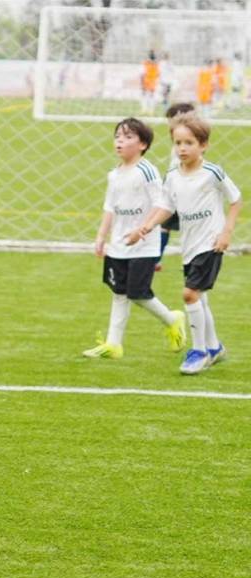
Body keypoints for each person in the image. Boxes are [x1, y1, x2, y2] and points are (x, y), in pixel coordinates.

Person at [126, 115, 242, 375]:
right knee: (199, 297)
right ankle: (214, 347)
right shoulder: (172, 176)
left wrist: (226, 232)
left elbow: (236, 199)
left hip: (210, 243)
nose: (182, 148)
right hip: (189, 245)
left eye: (189, 143)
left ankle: (199, 352)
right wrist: (145, 227)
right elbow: (166, 206)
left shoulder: (212, 173)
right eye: (178, 143)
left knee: (189, 294)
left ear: (203, 145)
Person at [83, 118, 186, 359]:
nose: (120, 141)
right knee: (119, 293)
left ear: (143, 145)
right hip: (118, 245)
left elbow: (163, 204)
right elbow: (110, 207)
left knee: (137, 293)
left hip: (144, 246)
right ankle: (113, 344)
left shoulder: (146, 171)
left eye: (128, 137)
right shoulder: (114, 174)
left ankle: (172, 319)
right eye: (118, 136)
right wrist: (101, 236)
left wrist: (142, 230)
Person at [156, 102, 196, 271]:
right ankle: (157, 259)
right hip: (175, 184)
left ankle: (190, 261)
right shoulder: (181, 139)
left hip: (184, 185)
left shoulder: (191, 140)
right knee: (165, 224)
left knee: (188, 224)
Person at [140, 51, 159, 115]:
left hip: (147, 82)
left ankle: (146, 110)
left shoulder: (146, 64)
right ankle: (149, 110)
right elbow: (158, 75)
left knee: (146, 96)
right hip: (151, 82)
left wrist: (142, 83)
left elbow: (142, 74)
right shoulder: (156, 64)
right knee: (150, 96)